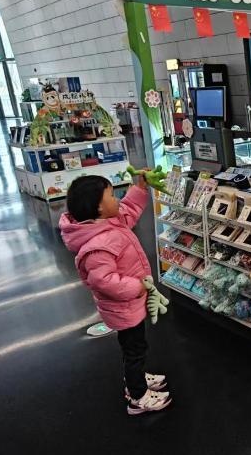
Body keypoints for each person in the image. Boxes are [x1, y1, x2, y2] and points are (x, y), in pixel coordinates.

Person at [59, 175, 171, 415]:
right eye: (111, 195)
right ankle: (138, 396)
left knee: (133, 348)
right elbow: (104, 281)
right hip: (124, 307)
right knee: (135, 350)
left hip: (128, 306)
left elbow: (128, 210)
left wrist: (139, 188)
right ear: (99, 207)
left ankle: (135, 378)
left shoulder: (107, 222)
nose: (117, 199)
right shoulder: (98, 243)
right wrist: (137, 287)